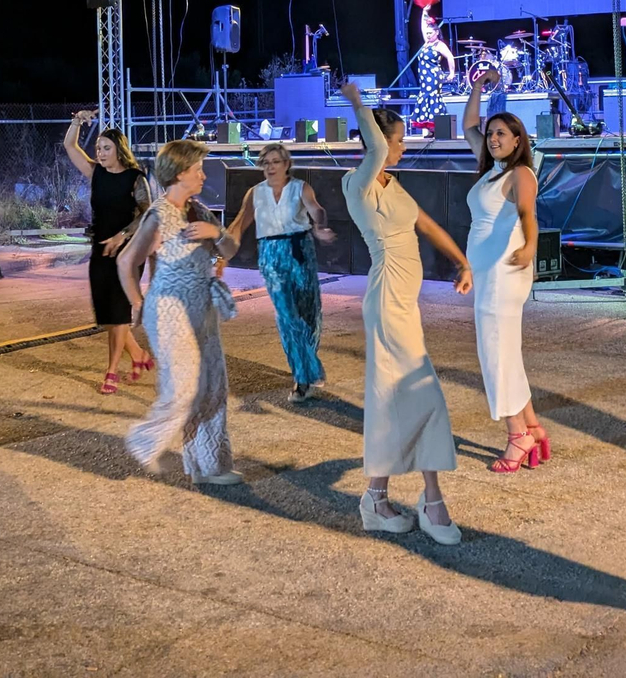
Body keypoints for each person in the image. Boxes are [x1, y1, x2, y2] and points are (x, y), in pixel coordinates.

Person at [340, 82, 472, 544]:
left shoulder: (392, 186)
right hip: (386, 299)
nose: (401, 146)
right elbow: (375, 143)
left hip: (403, 302)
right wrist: (358, 103)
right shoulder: (358, 183)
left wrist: (463, 260)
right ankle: (430, 501)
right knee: (421, 394)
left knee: (396, 397)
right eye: (397, 140)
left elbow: (427, 224)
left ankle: (376, 496)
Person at [115, 139, 243, 485]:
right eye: (197, 169)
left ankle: (209, 466)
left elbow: (231, 247)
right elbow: (126, 262)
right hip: (170, 308)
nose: (203, 175)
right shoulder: (159, 215)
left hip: (203, 307)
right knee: (185, 386)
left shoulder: (199, 210)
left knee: (214, 385)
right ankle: (144, 440)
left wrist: (215, 232)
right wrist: (138, 303)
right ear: (179, 172)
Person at [461, 69, 547, 473]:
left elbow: (528, 214)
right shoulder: (492, 170)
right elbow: (468, 125)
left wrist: (531, 245)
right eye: (491, 133)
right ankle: (531, 426)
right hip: (489, 273)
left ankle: (518, 436)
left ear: (518, 141)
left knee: (495, 353)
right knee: (504, 351)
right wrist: (479, 85)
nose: (493, 138)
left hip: (504, 271)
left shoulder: (520, 174)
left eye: (502, 134)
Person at [222, 143, 335, 402]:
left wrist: (320, 225)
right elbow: (240, 224)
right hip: (271, 255)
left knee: (308, 314)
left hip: (299, 251)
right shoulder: (255, 193)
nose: (271, 167)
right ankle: (303, 375)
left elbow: (316, 209)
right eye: (266, 163)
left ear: (286, 165)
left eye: (276, 162)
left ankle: (305, 365)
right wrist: (222, 254)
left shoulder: (300, 188)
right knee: (286, 315)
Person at [63, 110, 154, 393]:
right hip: (100, 249)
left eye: (106, 148)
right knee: (106, 314)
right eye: (98, 148)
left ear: (119, 150)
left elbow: (148, 215)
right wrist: (77, 121)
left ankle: (111, 371)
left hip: (128, 252)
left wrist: (122, 234)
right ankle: (139, 355)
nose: (100, 153)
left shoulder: (135, 178)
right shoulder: (96, 173)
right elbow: (69, 146)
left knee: (118, 313)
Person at [410, 8, 456, 132]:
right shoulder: (427, 43)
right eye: (428, 33)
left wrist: (452, 73)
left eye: (430, 33)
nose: (428, 35)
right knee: (425, 97)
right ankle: (429, 129)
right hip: (424, 78)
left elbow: (450, 57)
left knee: (432, 98)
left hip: (433, 76)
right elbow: (423, 27)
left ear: (436, 32)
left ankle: (435, 128)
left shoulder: (439, 45)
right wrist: (424, 12)